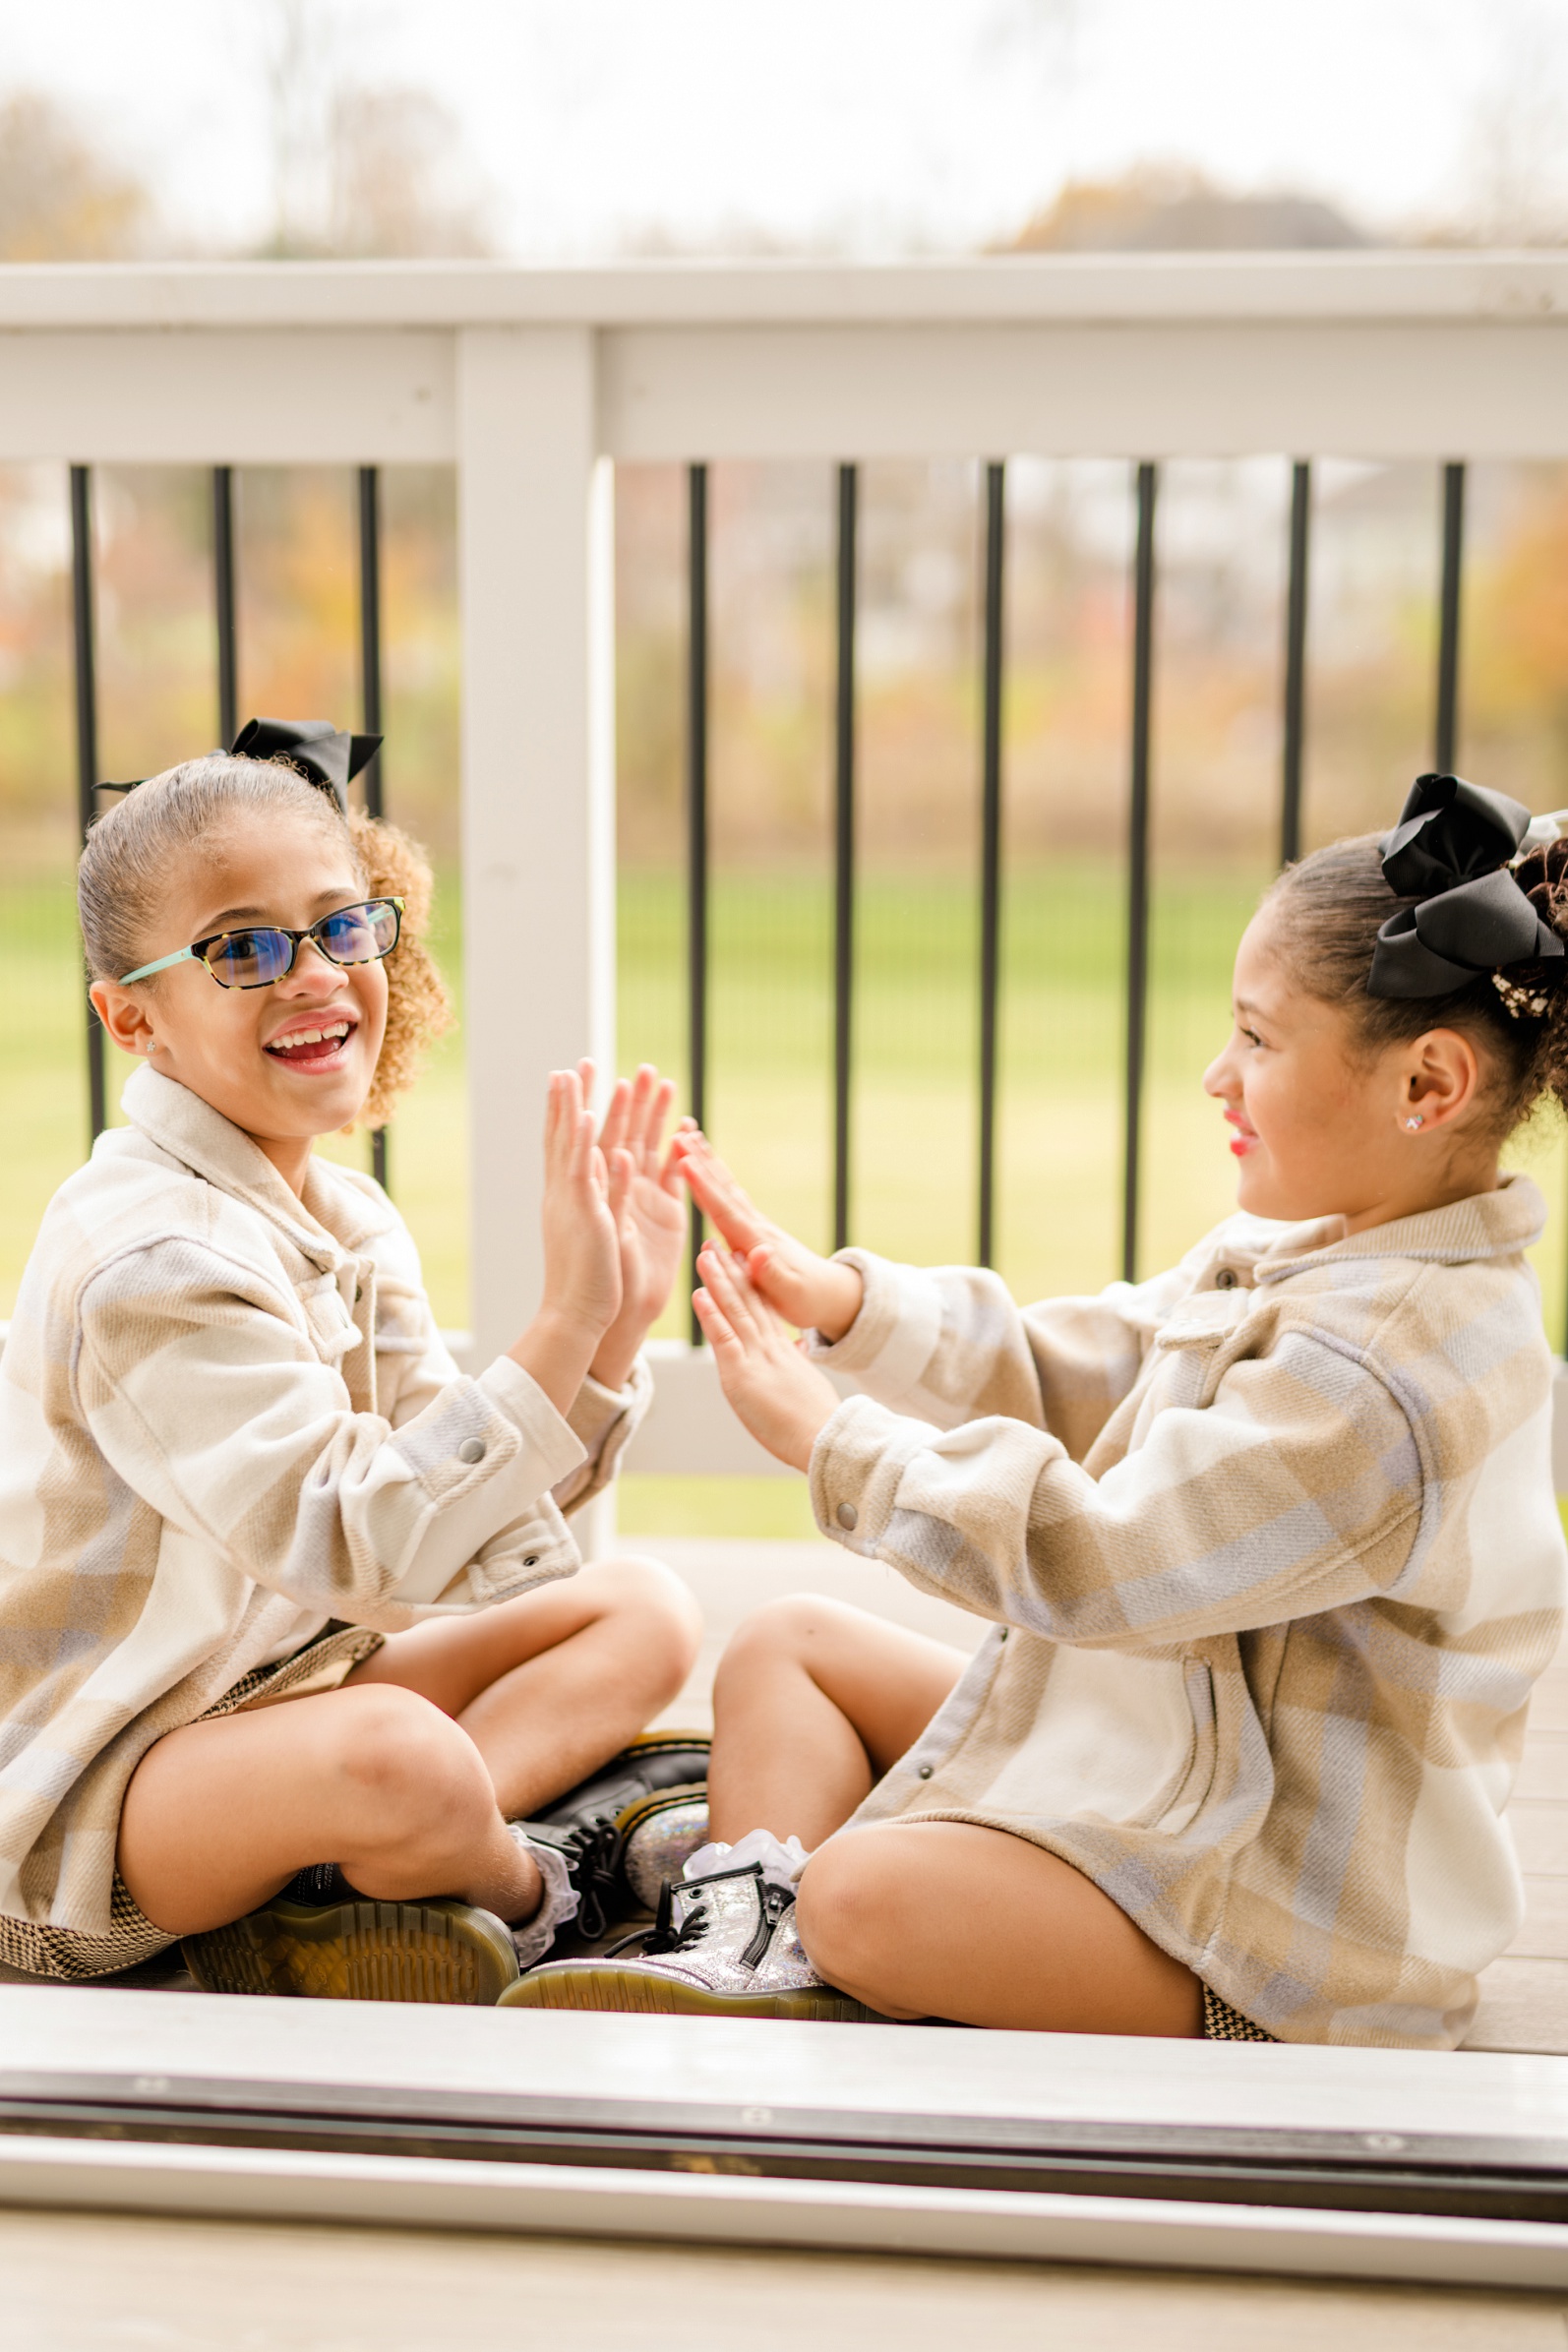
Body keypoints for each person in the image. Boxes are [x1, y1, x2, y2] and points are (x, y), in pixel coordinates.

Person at [507, 775, 1568, 2048]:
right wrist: (846, 1303)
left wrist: (833, 1444)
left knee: (862, 1897)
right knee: (788, 1644)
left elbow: (1108, 1558)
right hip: (1162, 1763)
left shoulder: (1387, 1377)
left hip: (1273, 1921)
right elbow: (1097, 1364)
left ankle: (793, 1912)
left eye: (1257, 1039)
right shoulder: (1324, 1249)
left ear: (1427, 1085)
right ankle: (737, 1940)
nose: (1216, 1075)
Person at [0, 734, 701, 2001]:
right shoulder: (151, 1261)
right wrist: (561, 1319)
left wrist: (607, 1335)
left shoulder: (346, 1215)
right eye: (243, 949)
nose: (317, 975)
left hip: (293, 1683)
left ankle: (358, 1884)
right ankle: (547, 1897)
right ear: (133, 1018)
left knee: (641, 1608)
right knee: (396, 1756)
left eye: (340, 926)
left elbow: (446, 1524)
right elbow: (351, 1544)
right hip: (108, 1785)